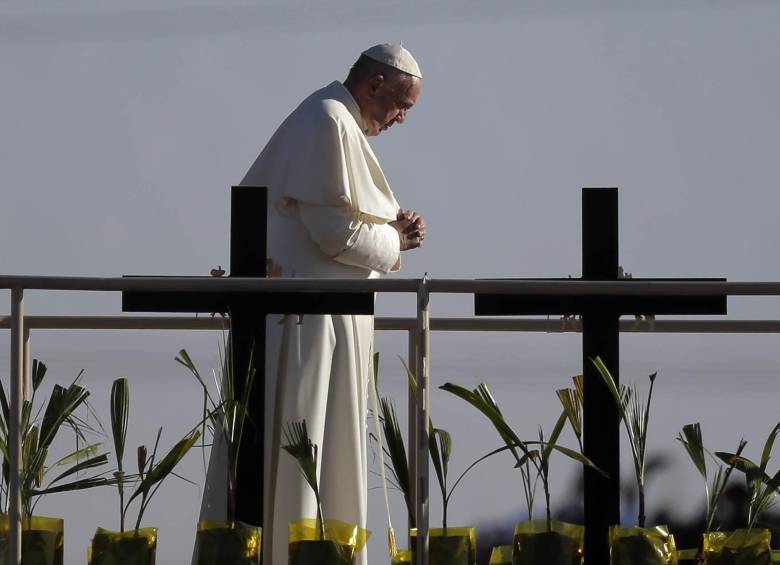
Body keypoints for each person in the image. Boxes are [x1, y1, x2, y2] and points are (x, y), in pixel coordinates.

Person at [195, 44, 425, 565]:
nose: (401, 119)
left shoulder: (333, 120)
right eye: (401, 105)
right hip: (301, 323)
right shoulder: (326, 121)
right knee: (302, 451)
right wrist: (396, 243)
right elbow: (334, 234)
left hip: (319, 320)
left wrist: (386, 231)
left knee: (321, 456)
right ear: (374, 87)